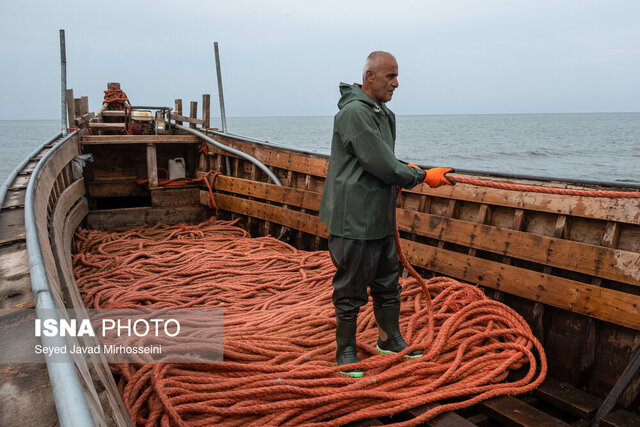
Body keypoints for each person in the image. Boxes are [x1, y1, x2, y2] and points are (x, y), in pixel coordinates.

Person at [319, 51, 455, 378]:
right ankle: (346, 349)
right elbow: (379, 163)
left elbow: (383, 159)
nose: (397, 83)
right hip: (353, 218)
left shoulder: (383, 113)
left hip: (379, 214)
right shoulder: (354, 114)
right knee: (351, 286)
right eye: (390, 76)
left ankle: (388, 338)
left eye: (396, 76)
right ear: (370, 77)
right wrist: (422, 176)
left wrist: (404, 169)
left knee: (387, 280)